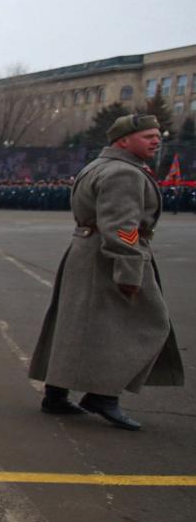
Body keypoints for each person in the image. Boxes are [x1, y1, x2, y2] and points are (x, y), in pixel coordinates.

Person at [30, 113, 183, 429]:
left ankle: (56, 394)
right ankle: (104, 395)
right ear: (123, 141)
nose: (156, 140)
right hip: (109, 257)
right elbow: (123, 227)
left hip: (86, 252)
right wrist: (129, 269)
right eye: (148, 136)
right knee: (147, 324)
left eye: (158, 135)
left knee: (76, 327)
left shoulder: (98, 166)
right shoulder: (123, 174)